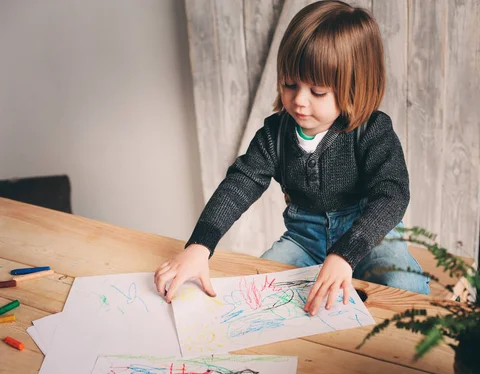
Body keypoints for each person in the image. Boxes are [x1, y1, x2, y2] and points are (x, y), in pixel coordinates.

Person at [154, 0, 430, 315]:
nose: (299, 100)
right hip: (305, 239)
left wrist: (345, 255)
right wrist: (199, 246)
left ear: (354, 87)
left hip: (370, 235)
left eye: (318, 92)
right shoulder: (275, 134)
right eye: (290, 84)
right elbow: (240, 184)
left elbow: (392, 194)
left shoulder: (372, 131)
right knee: (258, 292)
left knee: (403, 286)